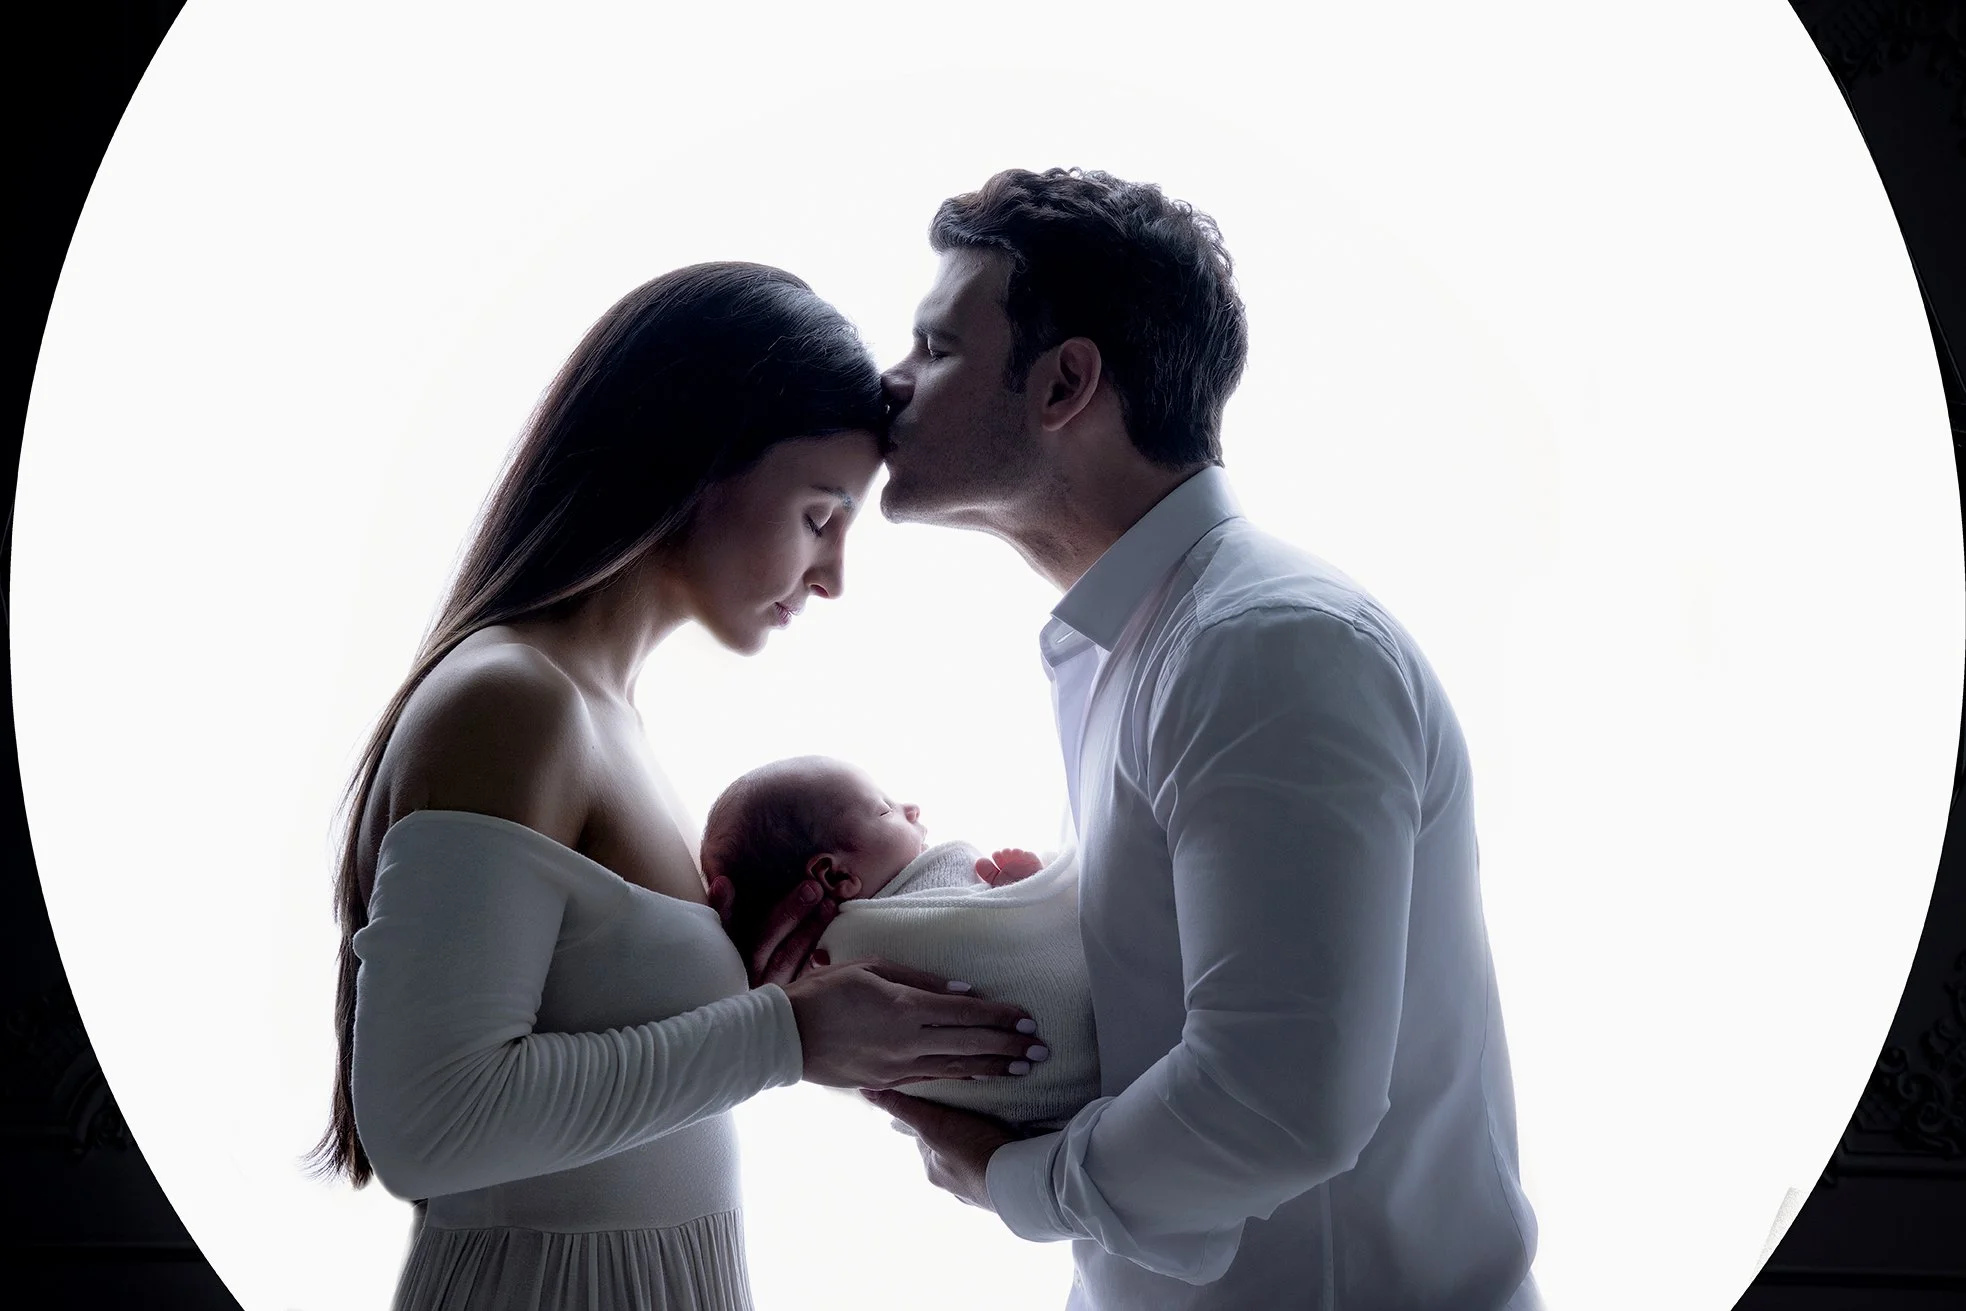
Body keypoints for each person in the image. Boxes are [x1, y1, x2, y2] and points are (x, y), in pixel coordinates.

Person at [752, 168, 1543, 1309]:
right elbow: (1153, 1015)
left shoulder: (1264, 649)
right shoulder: (1153, 641)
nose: (894, 379)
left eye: (937, 346)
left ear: (1066, 382)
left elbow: (1277, 1101)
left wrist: (1009, 1181)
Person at [305, 262, 1046, 1311]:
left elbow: (604, 1064)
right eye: (820, 514)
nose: (834, 575)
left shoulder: (599, 717)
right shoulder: (513, 704)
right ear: (694, 466)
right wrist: (785, 1037)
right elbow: (430, 1130)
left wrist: (770, 1000)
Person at [700, 754, 1098, 1129]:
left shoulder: (820, 984)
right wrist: (1036, 888)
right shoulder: (836, 980)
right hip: (1092, 1034)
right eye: (885, 809)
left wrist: (1018, 894)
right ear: (835, 876)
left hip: (1039, 1127)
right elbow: (1051, 917)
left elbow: (1004, 935)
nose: (912, 809)